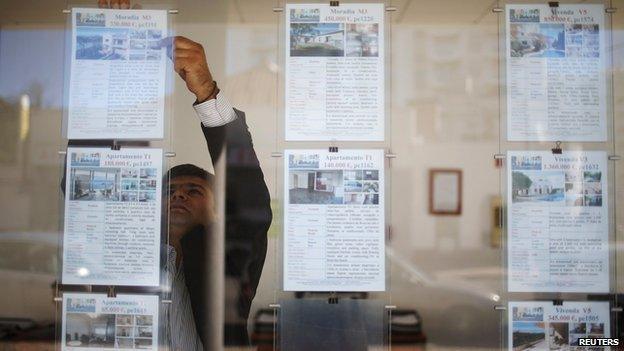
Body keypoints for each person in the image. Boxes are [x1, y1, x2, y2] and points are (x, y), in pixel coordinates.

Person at [67, 1, 273, 348]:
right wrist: (114, 55)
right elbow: (86, 186)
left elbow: (249, 198)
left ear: (216, 210)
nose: (178, 195)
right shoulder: (124, 251)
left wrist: (206, 91)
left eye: (194, 190)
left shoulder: (232, 260)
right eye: (170, 190)